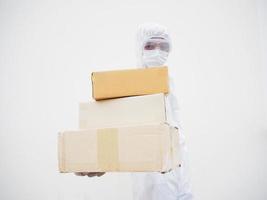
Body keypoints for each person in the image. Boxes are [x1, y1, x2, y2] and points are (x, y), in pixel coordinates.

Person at [76, 23, 193, 200]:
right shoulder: (128, 86)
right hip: (150, 174)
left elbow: (178, 131)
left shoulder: (170, 82)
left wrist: (184, 179)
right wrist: (100, 160)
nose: (157, 51)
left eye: (163, 46)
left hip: (177, 167)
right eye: (150, 46)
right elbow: (120, 133)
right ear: (139, 48)